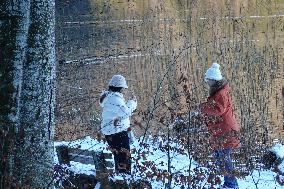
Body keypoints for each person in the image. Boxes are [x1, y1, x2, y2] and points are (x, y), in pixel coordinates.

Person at [198, 63, 240, 189]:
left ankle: (231, 185)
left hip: (225, 131)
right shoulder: (218, 92)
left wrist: (202, 108)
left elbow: (218, 110)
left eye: (208, 80)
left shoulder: (220, 93)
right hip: (221, 130)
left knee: (223, 159)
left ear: (213, 79)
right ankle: (229, 184)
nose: (207, 82)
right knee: (220, 158)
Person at [100, 74, 137, 175]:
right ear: (119, 87)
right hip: (118, 133)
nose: (124, 90)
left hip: (111, 133)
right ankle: (124, 179)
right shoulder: (114, 100)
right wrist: (132, 103)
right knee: (124, 158)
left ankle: (120, 177)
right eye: (123, 88)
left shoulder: (108, 97)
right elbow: (125, 113)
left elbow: (120, 112)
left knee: (118, 156)